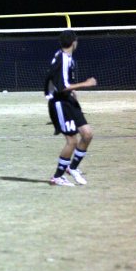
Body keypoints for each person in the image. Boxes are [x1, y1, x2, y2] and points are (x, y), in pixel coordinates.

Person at [44, 29, 97, 187]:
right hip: (60, 102)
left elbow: (55, 79)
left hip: (68, 100)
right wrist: (85, 84)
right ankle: (57, 177)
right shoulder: (64, 59)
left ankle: (72, 168)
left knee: (87, 134)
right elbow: (61, 86)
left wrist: (73, 93)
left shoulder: (64, 56)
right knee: (72, 141)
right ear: (73, 42)